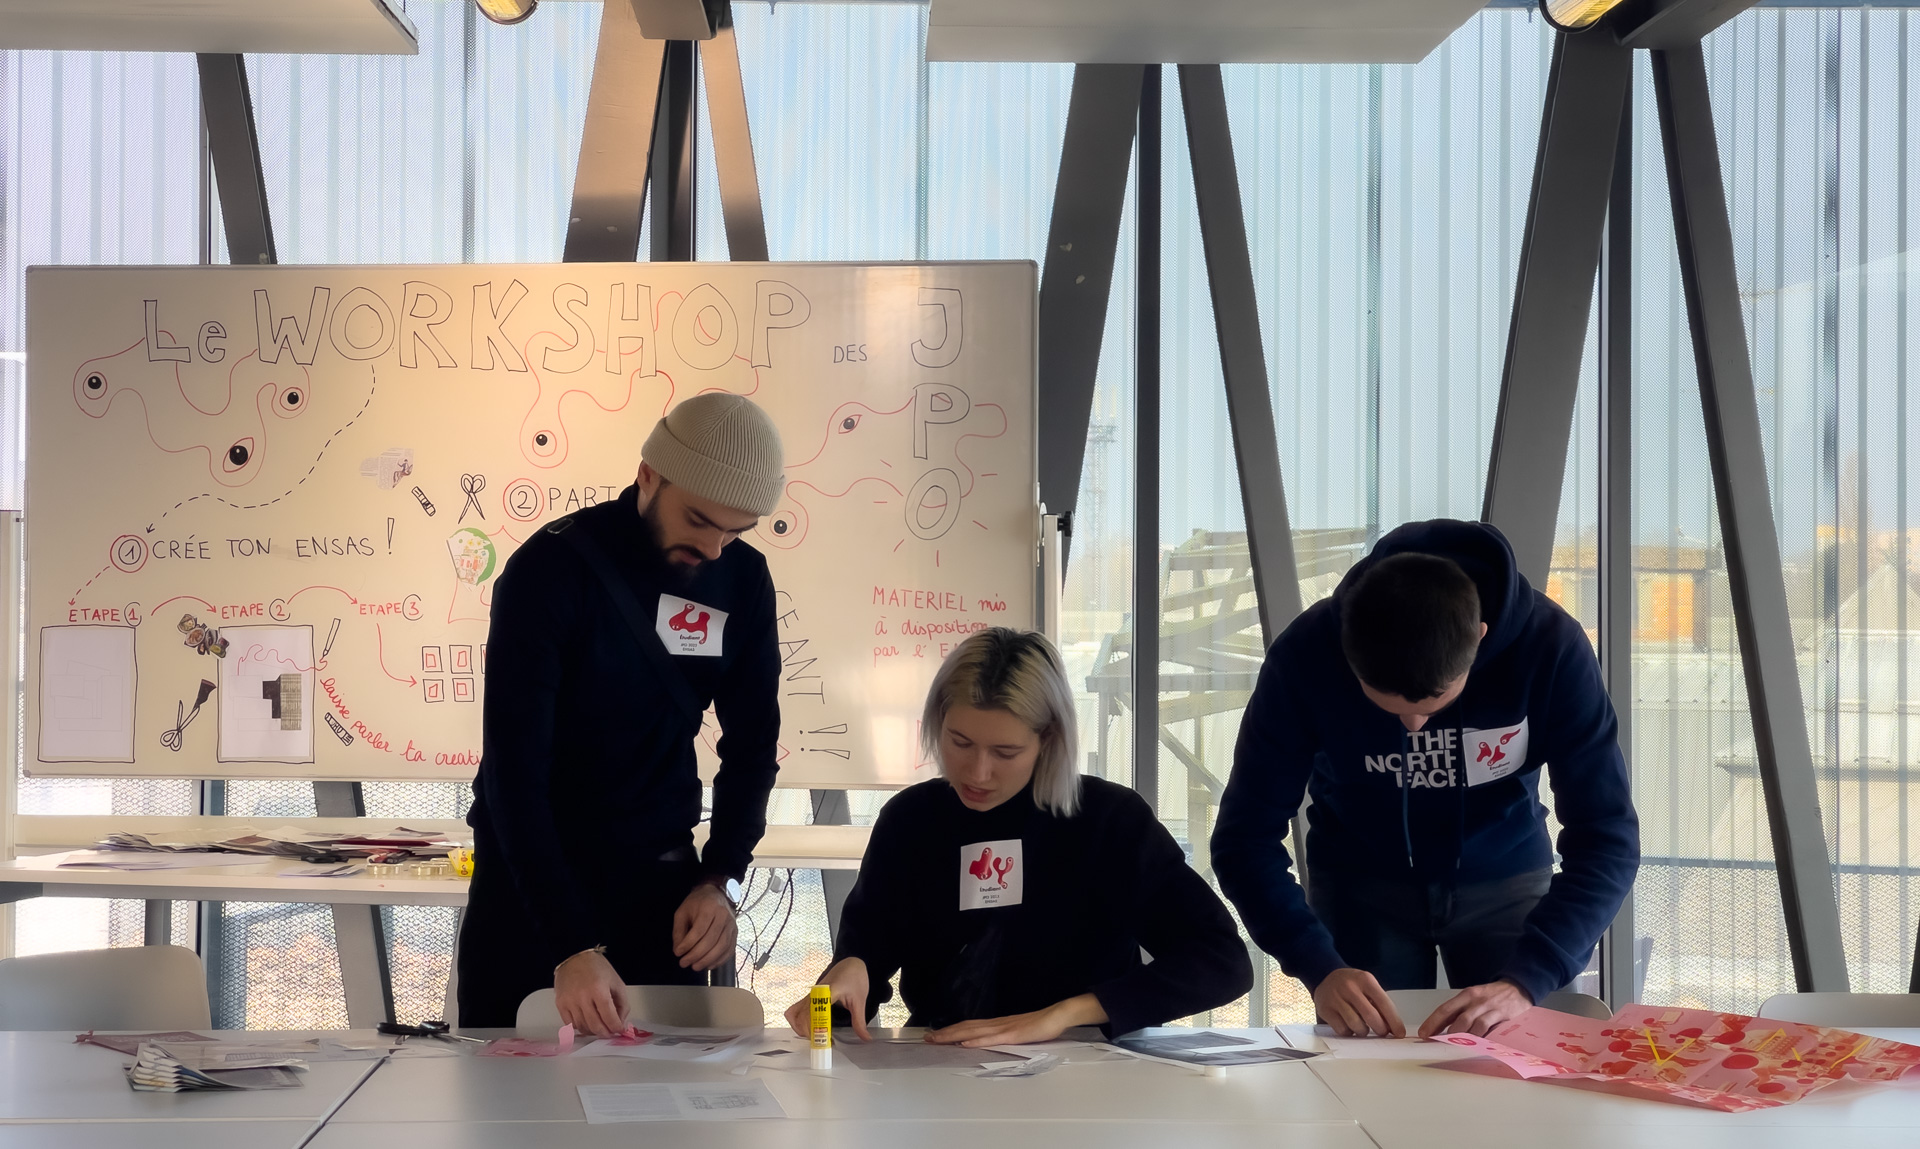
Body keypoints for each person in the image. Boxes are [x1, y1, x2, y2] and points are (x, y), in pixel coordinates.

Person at [1212, 520, 1638, 1039]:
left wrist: (1530, 977)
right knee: (1366, 1069)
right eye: (1388, 708)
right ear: (1347, 651)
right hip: (1358, 886)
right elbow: (1244, 839)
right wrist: (1316, 965)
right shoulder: (1305, 654)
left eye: (1433, 704)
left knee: (1520, 1061)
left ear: (1478, 639)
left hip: (1505, 880)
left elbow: (1607, 838)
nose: (1414, 726)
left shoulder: (1551, 648)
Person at [459, 393, 786, 1034]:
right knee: (509, 1087)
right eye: (699, 520)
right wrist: (569, 944)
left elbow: (753, 745)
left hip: (658, 891)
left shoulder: (742, 580)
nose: (714, 548)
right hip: (531, 889)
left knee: (663, 1092)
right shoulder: (551, 570)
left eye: (735, 531)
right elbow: (513, 773)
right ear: (648, 475)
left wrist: (720, 877)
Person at [785, 628, 1252, 1046]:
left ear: (1048, 740)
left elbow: (1222, 961)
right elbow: (860, 967)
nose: (977, 772)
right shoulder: (911, 821)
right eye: (960, 742)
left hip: (1087, 1066)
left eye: (1005, 752)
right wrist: (845, 977)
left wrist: (1065, 1015)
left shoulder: (1110, 821)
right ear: (936, 722)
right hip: (944, 1068)